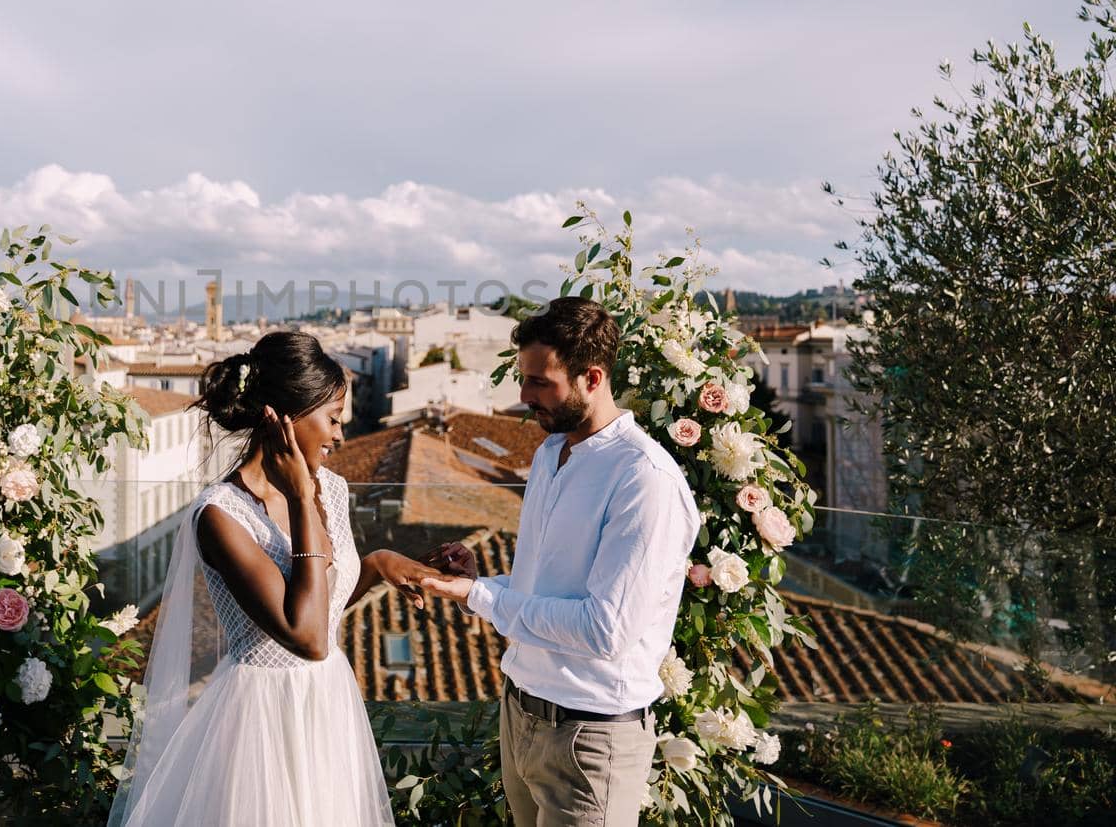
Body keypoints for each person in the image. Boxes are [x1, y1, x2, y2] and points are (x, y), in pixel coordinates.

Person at [109, 331, 448, 827]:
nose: (340, 437)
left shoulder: (330, 488)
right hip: (260, 719)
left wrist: (374, 564)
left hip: (326, 703)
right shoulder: (221, 516)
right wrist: (297, 499)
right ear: (282, 418)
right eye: (333, 420)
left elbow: (323, 606)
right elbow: (307, 637)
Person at [421, 298, 699, 827]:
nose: (524, 396)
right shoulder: (552, 452)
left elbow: (604, 630)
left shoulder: (643, 480)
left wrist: (480, 597)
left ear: (592, 377)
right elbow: (549, 588)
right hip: (521, 714)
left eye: (540, 383)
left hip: (591, 738)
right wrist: (482, 581)